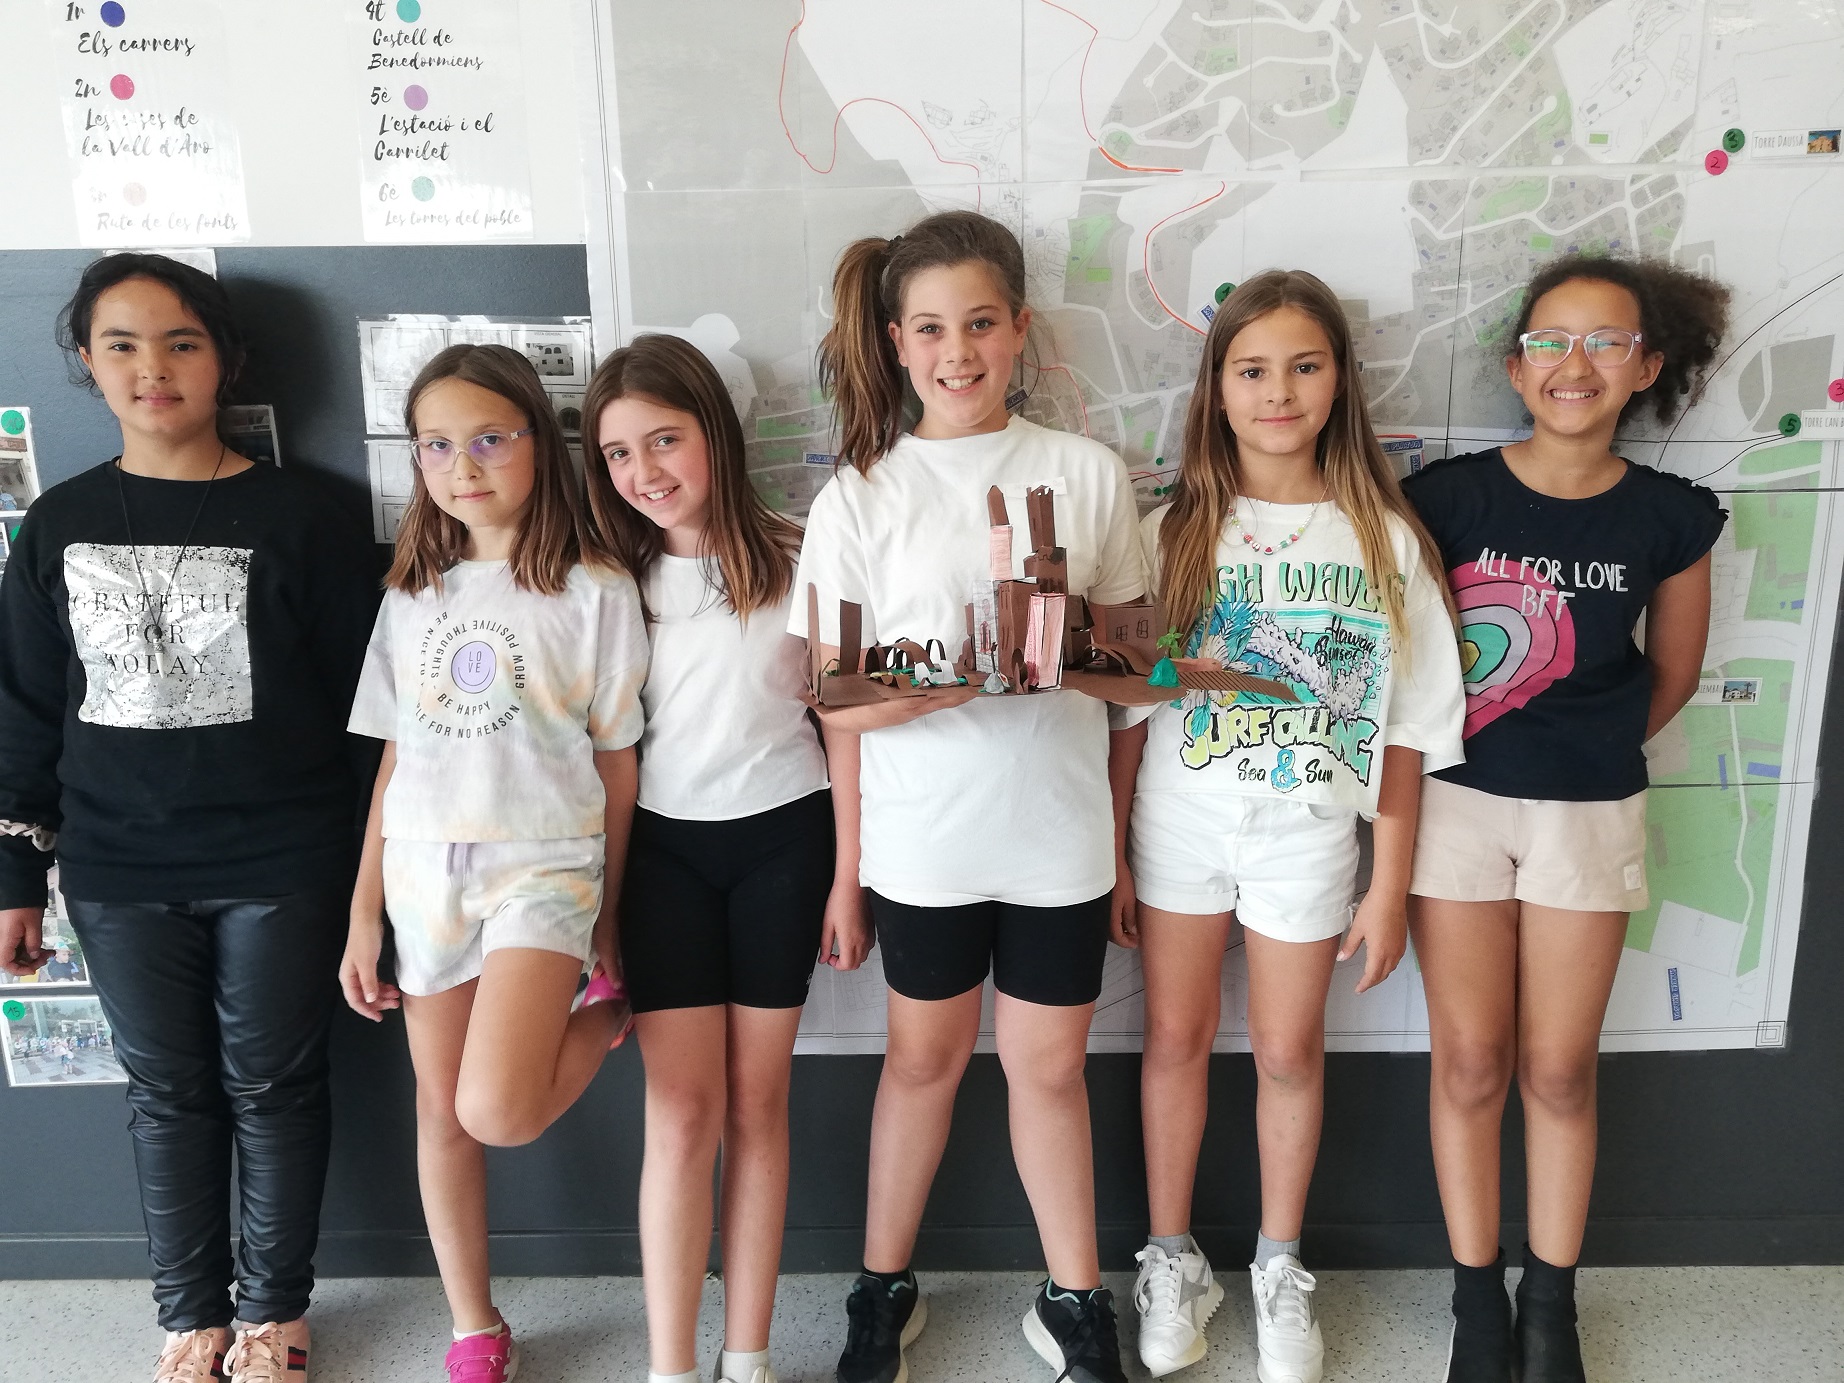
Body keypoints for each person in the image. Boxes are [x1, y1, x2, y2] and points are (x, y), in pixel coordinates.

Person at [0, 253, 380, 1383]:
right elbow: (23, 709)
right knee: (166, 1094)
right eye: (121, 344)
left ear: (226, 360)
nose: (152, 368)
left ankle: (274, 1316)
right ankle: (189, 1317)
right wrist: (15, 878)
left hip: (286, 859)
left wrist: (379, 881)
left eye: (180, 342)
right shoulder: (59, 524)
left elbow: (369, 715)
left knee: (275, 1084)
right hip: (117, 868)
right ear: (86, 362)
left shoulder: (303, 515)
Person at [792, 209, 1148, 1383]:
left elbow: (1138, 678)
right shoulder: (859, 498)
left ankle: (1075, 1298)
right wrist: (938, 690)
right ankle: (881, 1287)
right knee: (920, 1066)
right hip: (921, 852)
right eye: (933, 329)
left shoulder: (1085, 475)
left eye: (981, 323)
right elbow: (832, 697)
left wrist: (1067, 655)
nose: (959, 351)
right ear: (898, 342)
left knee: (1049, 1073)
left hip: (1059, 846)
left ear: (1019, 329)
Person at [1113, 270, 1465, 1381]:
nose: (1278, 392)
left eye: (1303, 366)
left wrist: (1387, 885)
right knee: (1172, 1039)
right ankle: (1170, 1256)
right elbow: (1129, 708)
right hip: (1178, 824)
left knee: (1286, 1049)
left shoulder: (1382, 539)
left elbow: (1406, 730)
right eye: (1252, 370)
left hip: (1307, 834)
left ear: (1339, 381)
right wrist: (1112, 851)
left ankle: (1277, 1262)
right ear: (1216, 389)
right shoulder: (1170, 532)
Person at [1402, 254, 1729, 1383]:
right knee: (1469, 1064)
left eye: (1603, 342)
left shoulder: (1671, 517)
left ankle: (1550, 1309)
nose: (1572, 363)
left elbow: (1671, 676)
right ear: (1515, 365)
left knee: (1555, 1071)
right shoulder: (1447, 501)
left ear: (1645, 365)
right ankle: (1475, 1303)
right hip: (1454, 808)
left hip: (1588, 813)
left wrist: (1577, 751)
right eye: (1549, 340)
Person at [338, 343, 646, 1383]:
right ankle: (474, 1325)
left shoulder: (595, 589)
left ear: (538, 445)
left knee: (498, 1109)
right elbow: (393, 762)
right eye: (435, 445)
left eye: (486, 439)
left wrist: (609, 916)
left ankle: (606, 1009)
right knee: (441, 1111)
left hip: (544, 868)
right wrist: (363, 914)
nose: (461, 465)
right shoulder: (411, 593)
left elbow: (616, 758)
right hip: (425, 872)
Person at [580, 333, 867, 1383]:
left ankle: (745, 1357)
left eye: (664, 439)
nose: (644, 471)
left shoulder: (805, 556)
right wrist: (604, 908)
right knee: (681, 1111)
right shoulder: (606, 580)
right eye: (618, 453)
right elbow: (601, 754)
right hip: (661, 859)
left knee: (756, 1104)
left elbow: (844, 725)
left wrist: (847, 878)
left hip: (784, 845)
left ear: (715, 432)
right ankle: (671, 1367)